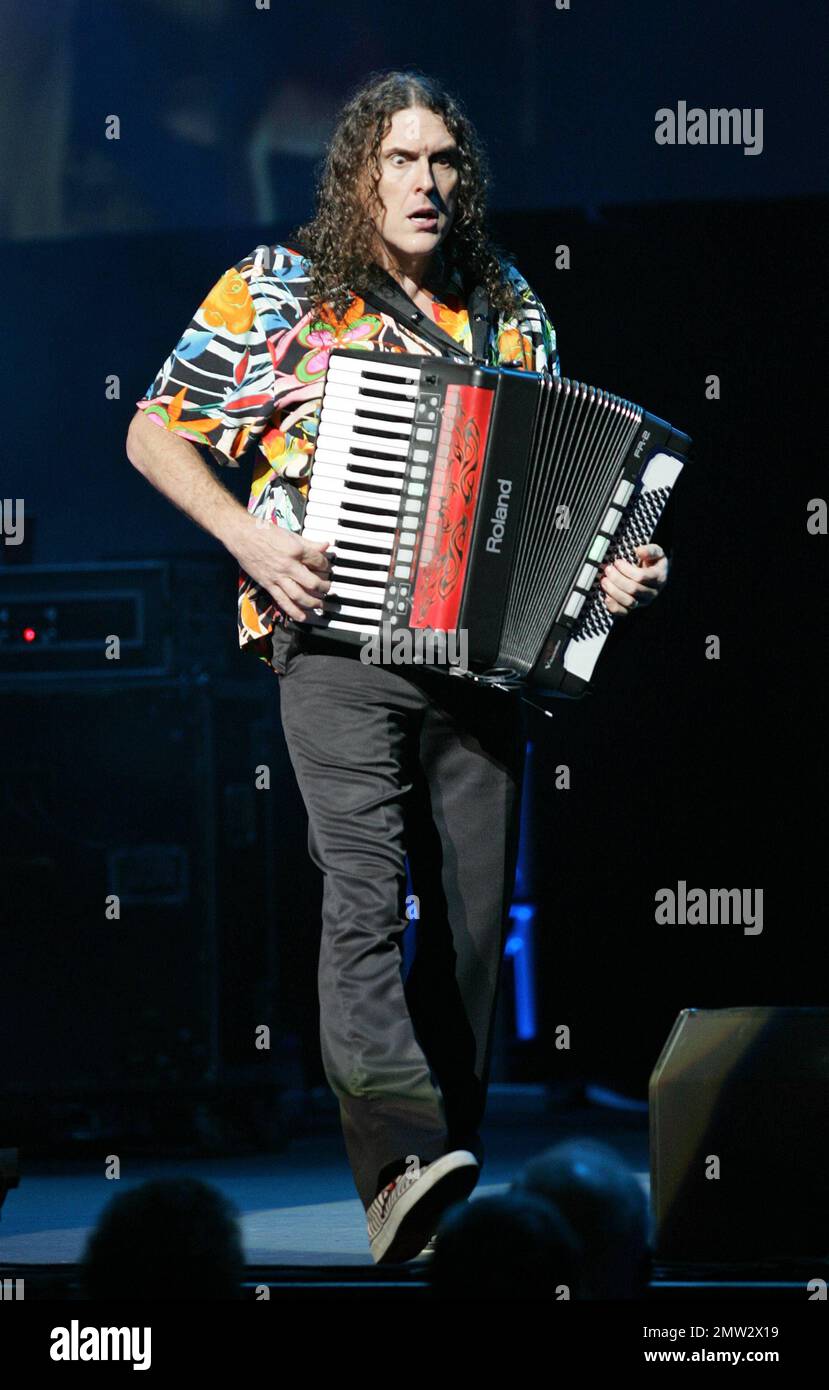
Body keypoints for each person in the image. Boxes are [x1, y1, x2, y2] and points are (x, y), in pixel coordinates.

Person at [126, 69, 669, 1265]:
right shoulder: (279, 289)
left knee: (475, 933)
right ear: (359, 175)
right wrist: (251, 537)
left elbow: (551, 502)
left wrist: (606, 578)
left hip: (475, 662)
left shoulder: (509, 304)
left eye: (444, 164)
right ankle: (395, 1162)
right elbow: (152, 427)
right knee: (367, 896)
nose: (426, 184)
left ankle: (443, 1176)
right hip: (330, 643)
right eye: (401, 162)